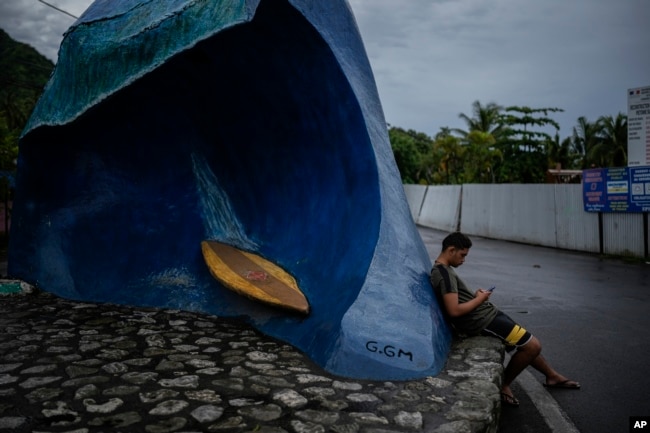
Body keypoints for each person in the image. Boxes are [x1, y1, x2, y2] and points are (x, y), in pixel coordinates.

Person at [430, 231, 580, 407]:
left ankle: (552, 376)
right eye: (462, 255)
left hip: (488, 314)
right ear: (451, 250)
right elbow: (454, 310)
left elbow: (457, 301)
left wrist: (475, 297)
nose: (464, 260)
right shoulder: (444, 274)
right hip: (483, 321)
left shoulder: (444, 270)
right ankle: (504, 385)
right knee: (533, 346)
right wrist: (480, 299)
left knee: (527, 341)